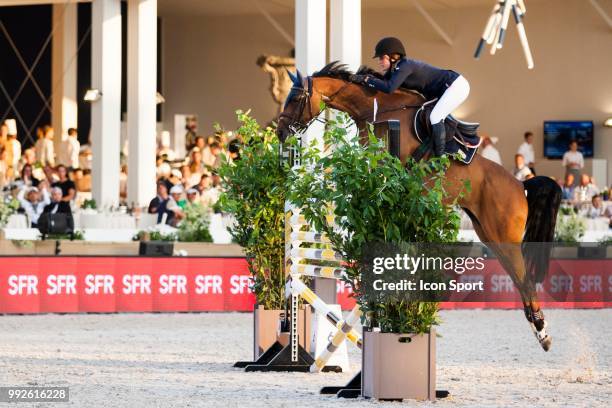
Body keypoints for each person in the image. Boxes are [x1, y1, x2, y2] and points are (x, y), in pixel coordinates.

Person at [348, 37, 469, 156]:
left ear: (392, 57)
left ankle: (440, 157)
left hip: (455, 86)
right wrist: (361, 80)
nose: (379, 61)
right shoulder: (395, 70)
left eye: (381, 58)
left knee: (435, 117)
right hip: (442, 90)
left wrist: (366, 79)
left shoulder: (405, 65)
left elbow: (389, 88)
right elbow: (381, 84)